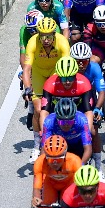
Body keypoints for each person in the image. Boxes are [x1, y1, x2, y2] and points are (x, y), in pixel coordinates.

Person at [22, 18, 72, 162]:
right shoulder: (33, 42)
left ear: (54, 34)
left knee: (59, 107)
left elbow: (67, 65)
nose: (45, 39)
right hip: (38, 74)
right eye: (42, 35)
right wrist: (27, 88)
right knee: (38, 110)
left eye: (49, 36)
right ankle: (37, 145)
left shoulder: (62, 41)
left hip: (55, 74)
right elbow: (27, 69)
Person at [43, 97, 93, 165]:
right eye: (62, 122)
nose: (66, 125)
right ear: (57, 119)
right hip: (59, 146)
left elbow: (88, 149)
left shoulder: (81, 120)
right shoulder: (49, 122)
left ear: (74, 118)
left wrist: (81, 165)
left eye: (70, 122)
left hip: (78, 145)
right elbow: (44, 148)